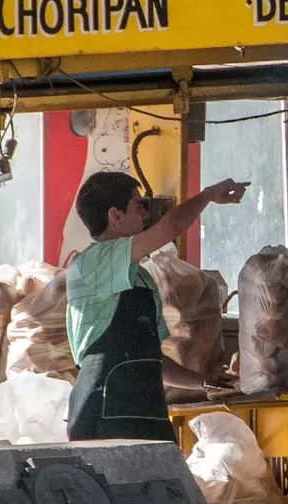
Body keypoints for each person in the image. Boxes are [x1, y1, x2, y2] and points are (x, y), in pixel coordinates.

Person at [65, 171, 247, 440]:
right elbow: (170, 229)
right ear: (115, 216)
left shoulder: (141, 277)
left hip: (146, 409)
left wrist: (202, 381)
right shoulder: (91, 263)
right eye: (139, 206)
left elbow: (151, 361)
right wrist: (208, 195)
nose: (146, 215)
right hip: (103, 408)